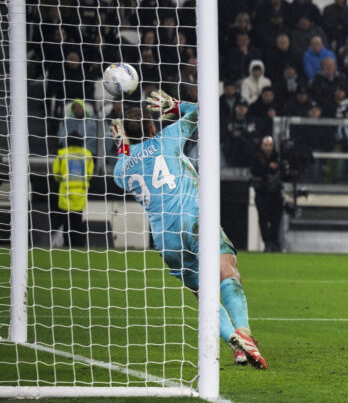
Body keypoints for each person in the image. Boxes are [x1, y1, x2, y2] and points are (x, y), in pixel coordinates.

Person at [110, 90, 267, 369]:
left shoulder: (121, 171)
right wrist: (175, 106)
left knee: (203, 293)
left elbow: (123, 163)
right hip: (193, 218)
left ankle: (235, 343)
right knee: (228, 271)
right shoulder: (166, 138)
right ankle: (244, 334)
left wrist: (123, 146)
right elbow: (203, 112)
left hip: (165, 240)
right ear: (152, 127)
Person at [51, 133, 93, 247]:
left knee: (66, 222)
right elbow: (89, 174)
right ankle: (77, 244)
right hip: (80, 194)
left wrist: (63, 181)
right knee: (77, 221)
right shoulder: (87, 154)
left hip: (66, 194)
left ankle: (67, 244)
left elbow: (56, 173)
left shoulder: (62, 154)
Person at [250, 136, 284, 253]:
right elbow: (254, 171)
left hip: (275, 193)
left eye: (270, 145)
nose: (268, 148)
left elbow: (283, 172)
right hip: (262, 193)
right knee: (263, 219)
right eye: (266, 145)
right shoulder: (256, 158)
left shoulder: (278, 158)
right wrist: (268, 167)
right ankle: (268, 243)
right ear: (261, 146)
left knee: (276, 220)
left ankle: (275, 242)